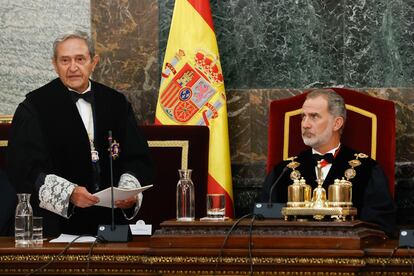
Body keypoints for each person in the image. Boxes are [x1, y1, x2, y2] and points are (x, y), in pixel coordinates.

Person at [7, 30, 154, 237]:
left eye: (80, 59)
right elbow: (23, 168)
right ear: (54, 64)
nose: (73, 67)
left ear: (93, 62)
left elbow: (137, 157)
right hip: (58, 227)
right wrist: (69, 194)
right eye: (65, 60)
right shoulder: (34, 107)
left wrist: (127, 193)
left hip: (111, 224)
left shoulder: (116, 103)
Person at [259, 89, 397, 237]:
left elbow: (381, 229)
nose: (305, 124)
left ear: (337, 123)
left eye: (314, 117)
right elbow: (262, 225)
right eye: (303, 117)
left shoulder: (367, 170)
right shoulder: (282, 171)